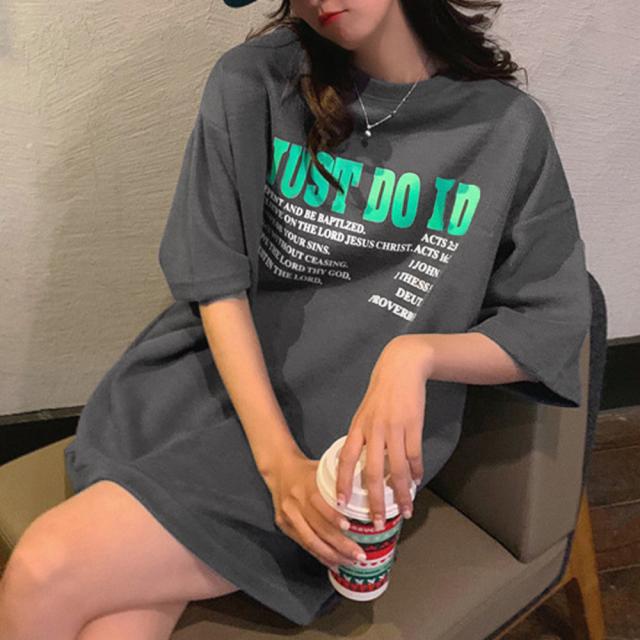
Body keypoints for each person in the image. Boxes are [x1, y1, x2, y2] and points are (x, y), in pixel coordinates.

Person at [0, 0, 592, 637]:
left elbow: (550, 320)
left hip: (339, 453)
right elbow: (215, 279)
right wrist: (277, 464)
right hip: (209, 394)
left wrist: (415, 356)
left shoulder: (505, 129)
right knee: (110, 618)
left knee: (45, 568)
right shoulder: (253, 81)